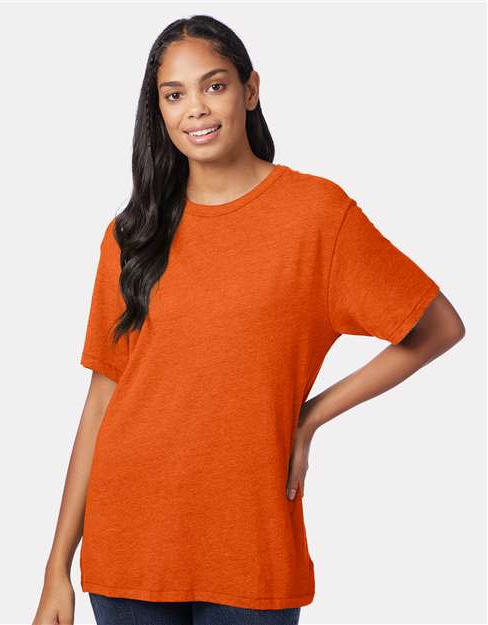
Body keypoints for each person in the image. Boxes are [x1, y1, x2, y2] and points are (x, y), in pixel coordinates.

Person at [31, 14, 465, 625]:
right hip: (129, 545)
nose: (196, 109)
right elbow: (103, 396)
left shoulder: (316, 216)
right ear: (159, 111)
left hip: (251, 547)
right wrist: (56, 568)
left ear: (250, 89)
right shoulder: (133, 235)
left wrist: (308, 417)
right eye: (174, 95)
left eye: (214, 86)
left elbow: (438, 327)